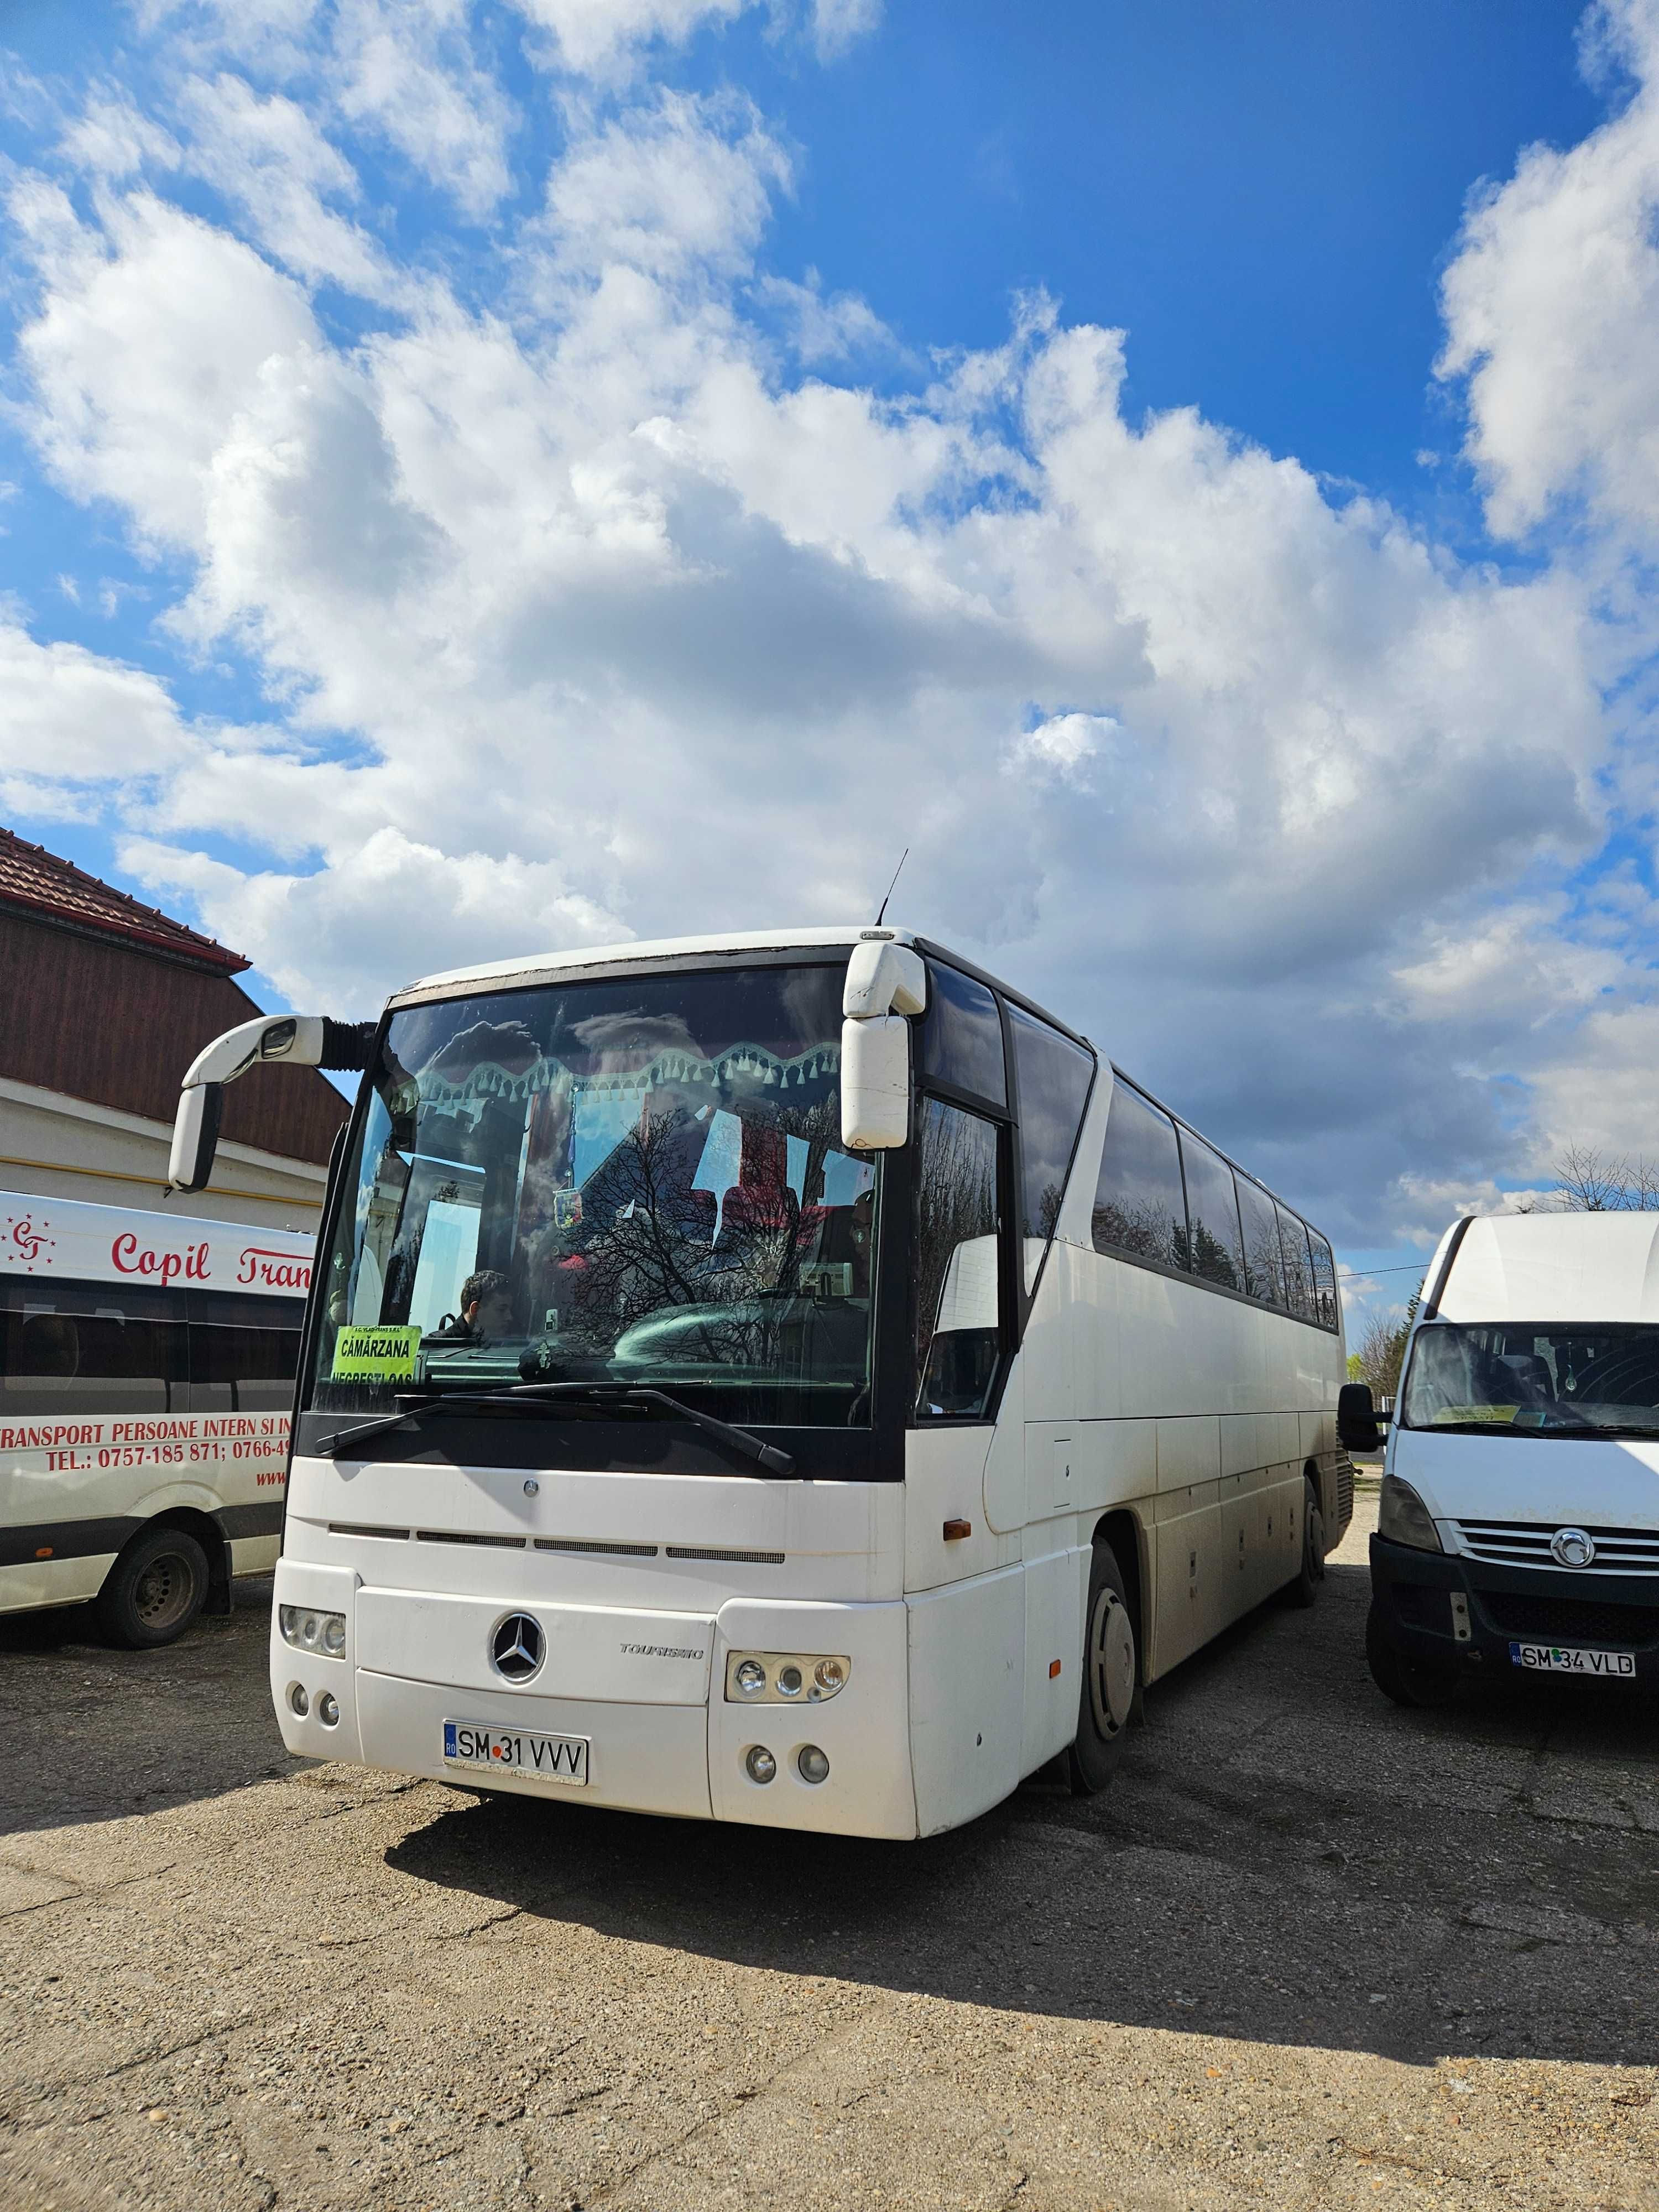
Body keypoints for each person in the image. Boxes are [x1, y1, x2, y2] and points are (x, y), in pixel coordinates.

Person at [457, 1270, 514, 1338]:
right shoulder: (444, 1345)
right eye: (501, 1310)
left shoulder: (499, 1344)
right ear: (475, 1310)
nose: (510, 1318)